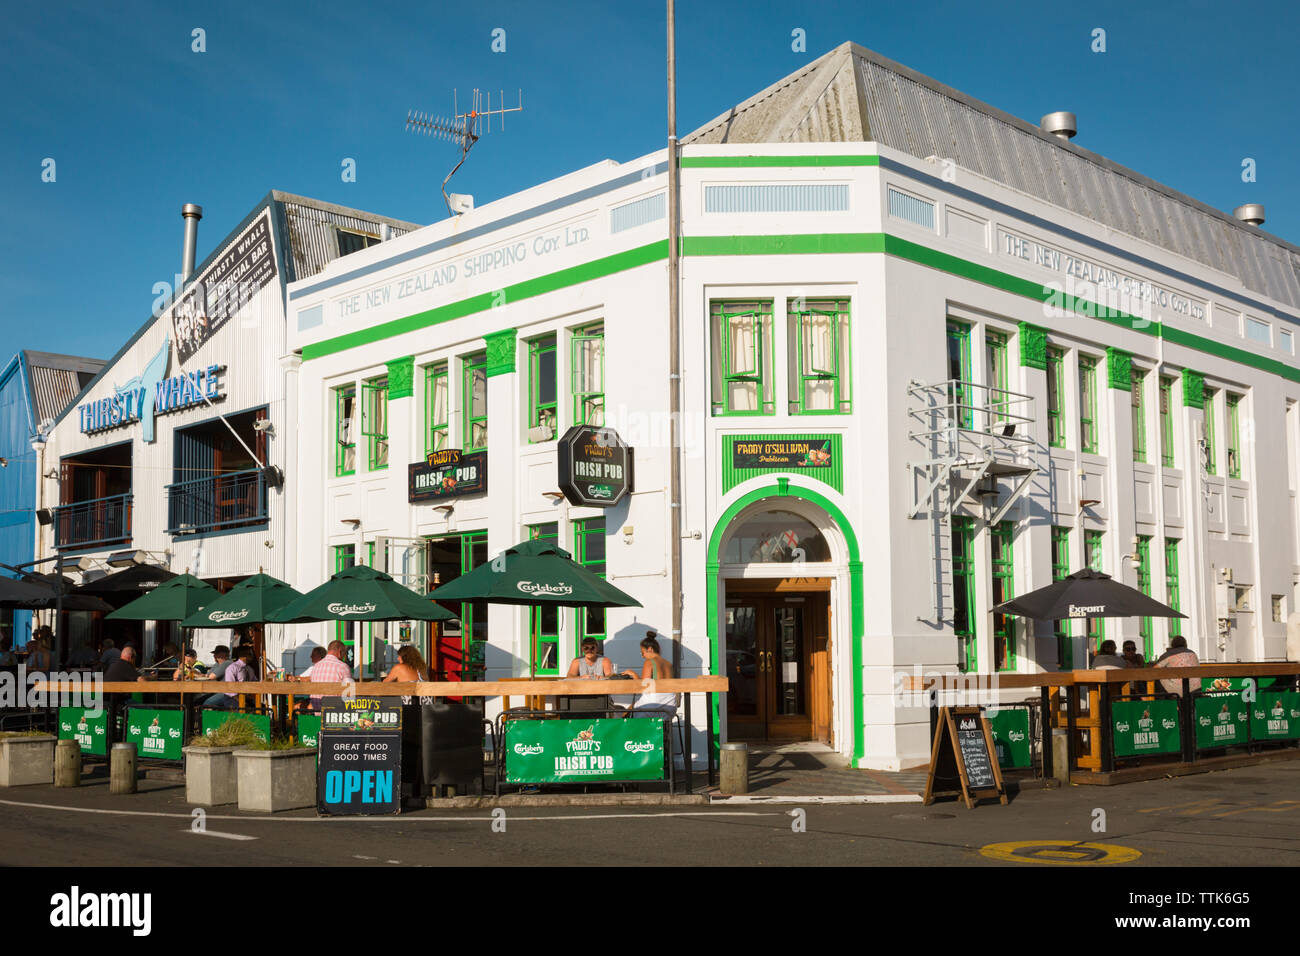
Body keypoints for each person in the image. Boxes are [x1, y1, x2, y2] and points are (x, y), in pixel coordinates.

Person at [621, 632, 678, 718]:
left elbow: (644, 686)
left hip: (654, 704)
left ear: (650, 649)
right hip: (670, 705)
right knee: (632, 707)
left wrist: (633, 674)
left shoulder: (650, 662)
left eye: (642, 653)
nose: (643, 656)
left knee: (626, 714)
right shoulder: (669, 664)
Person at [307, 640, 353, 712]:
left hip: (317, 712)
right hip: (334, 714)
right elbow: (349, 695)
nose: (344, 656)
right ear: (340, 652)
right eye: (344, 653)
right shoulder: (343, 666)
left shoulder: (316, 666)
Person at [204, 646, 253, 710]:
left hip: (227, 693)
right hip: (221, 691)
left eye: (216, 654)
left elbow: (211, 676)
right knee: (200, 699)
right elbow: (207, 675)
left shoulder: (228, 663)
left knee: (207, 704)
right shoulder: (218, 664)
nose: (214, 656)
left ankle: (205, 718)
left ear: (223, 654)